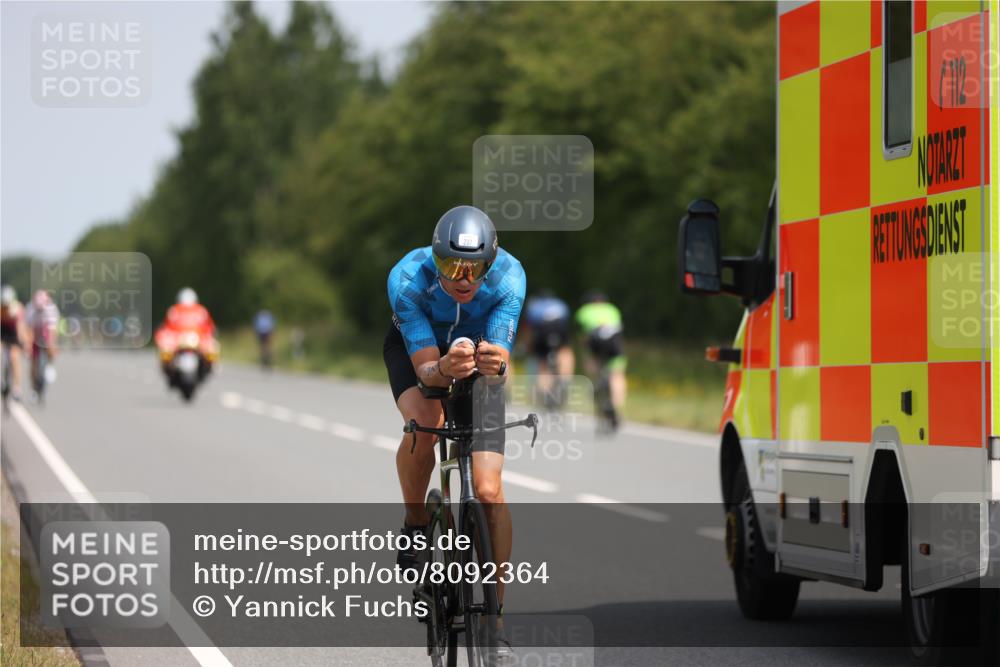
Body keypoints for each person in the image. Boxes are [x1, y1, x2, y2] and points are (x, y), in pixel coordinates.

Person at [384, 205, 525, 647]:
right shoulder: (407, 278)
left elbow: (501, 368)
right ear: (434, 256)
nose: (463, 279)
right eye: (450, 265)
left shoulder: (509, 278)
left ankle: (496, 620)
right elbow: (427, 373)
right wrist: (444, 367)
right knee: (426, 422)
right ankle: (415, 521)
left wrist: (495, 367)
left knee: (488, 491)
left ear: (493, 261)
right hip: (423, 355)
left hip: (480, 357)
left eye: (475, 268)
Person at [576, 291, 626, 430]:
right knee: (617, 374)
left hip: (595, 340)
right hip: (613, 340)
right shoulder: (613, 309)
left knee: (592, 361)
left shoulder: (584, 311)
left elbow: (582, 337)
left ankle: (596, 380)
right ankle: (615, 406)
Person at [523, 289, 574, 407]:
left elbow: (529, 331)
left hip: (542, 330)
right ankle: (565, 379)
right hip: (560, 327)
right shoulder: (561, 304)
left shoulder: (534, 305)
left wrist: (528, 347)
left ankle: (545, 392)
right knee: (565, 351)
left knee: (543, 364)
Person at [155, 288, 218, 379]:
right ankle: (166, 367)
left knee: (212, 348)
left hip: (195, 339)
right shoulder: (176, 310)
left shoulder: (198, 310)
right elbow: (210, 327)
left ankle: (211, 365)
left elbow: (208, 327)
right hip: (181, 340)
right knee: (165, 350)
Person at [25, 289, 60, 400]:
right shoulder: (30, 309)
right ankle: (33, 389)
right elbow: (28, 330)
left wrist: (52, 346)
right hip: (35, 331)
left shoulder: (51, 310)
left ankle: (49, 364)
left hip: (46, 331)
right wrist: (28, 345)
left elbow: (52, 332)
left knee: (51, 347)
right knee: (33, 362)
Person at [1, 286, 29, 401]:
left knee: (14, 357)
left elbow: (20, 327)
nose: (6, 308)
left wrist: (24, 343)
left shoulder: (18, 309)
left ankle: (16, 388)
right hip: (2, 331)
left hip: (13, 334)